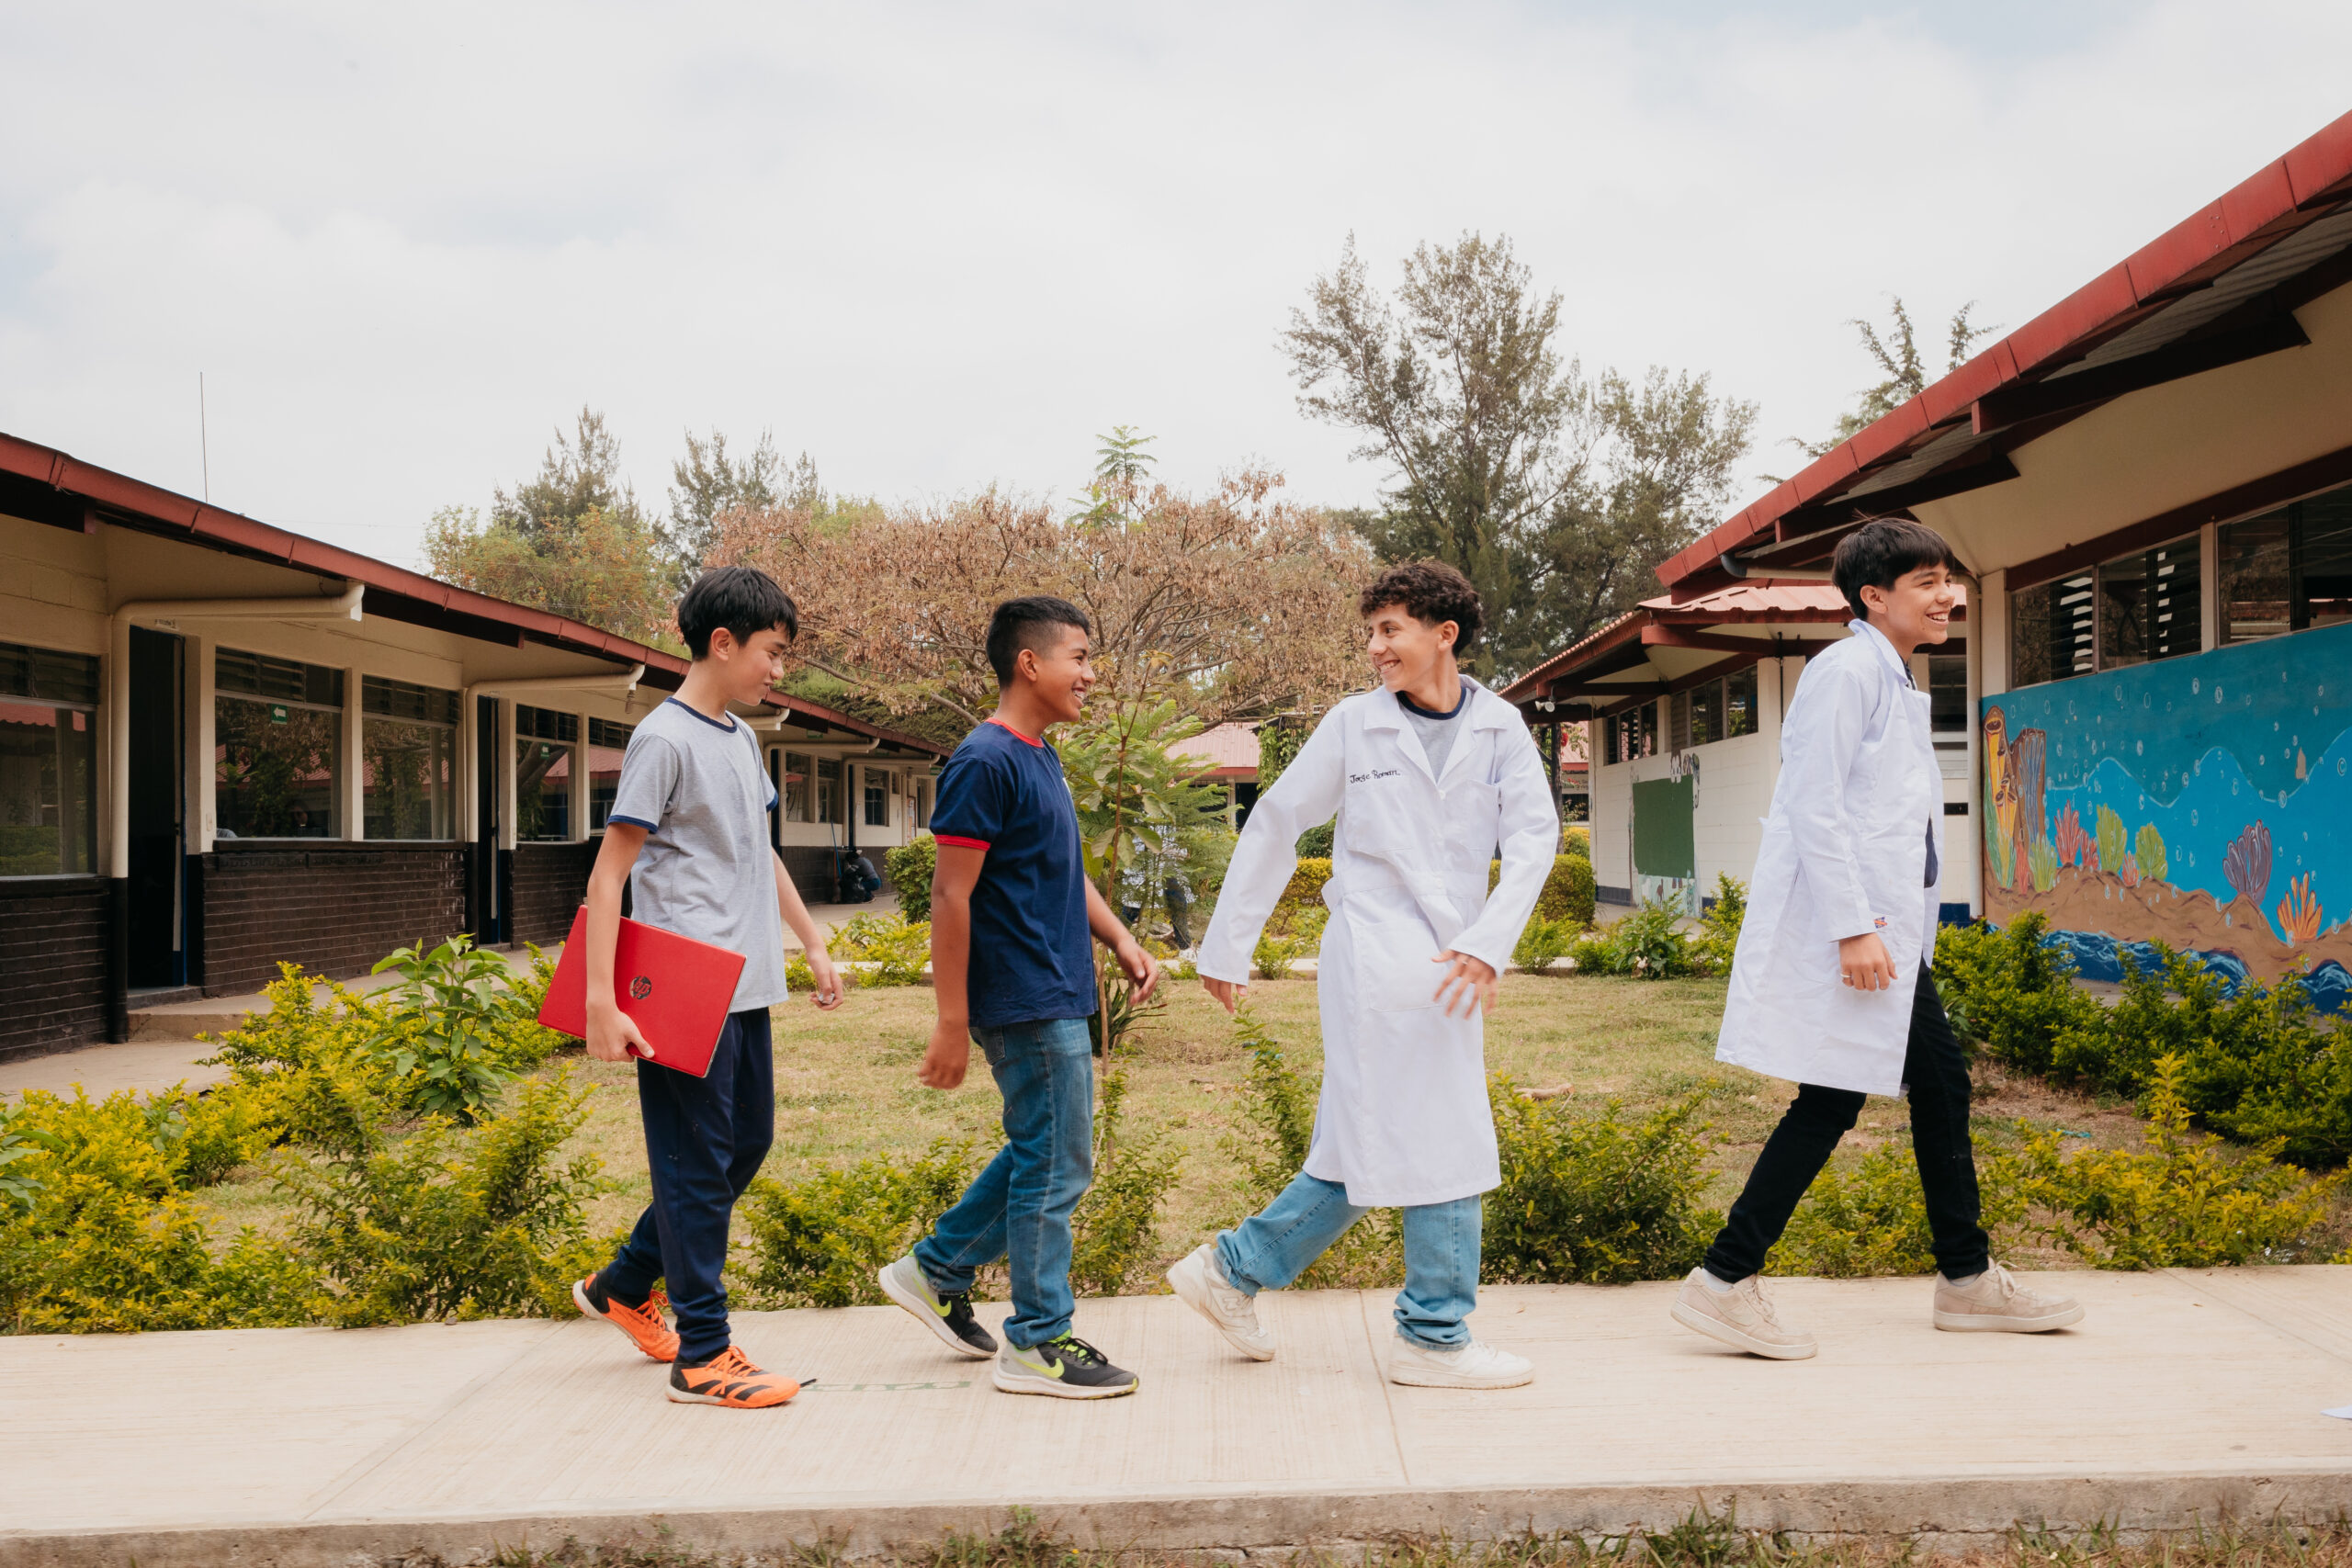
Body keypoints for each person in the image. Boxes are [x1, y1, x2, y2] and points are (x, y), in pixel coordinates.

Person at [1672, 518, 2084, 1360]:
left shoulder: (1892, 676)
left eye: (1950, 579)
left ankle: (1964, 1279)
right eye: (1929, 582)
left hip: (1884, 929)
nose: (1950, 595)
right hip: (1852, 929)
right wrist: (1854, 929)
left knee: (1938, 1082)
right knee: (1838, 1095)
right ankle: (1724, 1279)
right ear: (1875, 595)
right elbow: (1813, 806)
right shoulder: (1847, 672)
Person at [1168, 560, 1558, 1390]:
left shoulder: (1500, 727)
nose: (1376, 646)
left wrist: (1491, 941)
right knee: (1445, 1132)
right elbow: (1277, 820)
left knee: (1367, 1139)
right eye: (1371, 631)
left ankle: (1232, 1269)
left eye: (1391, 629)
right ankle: (1434, 1334)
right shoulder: (1354, 724)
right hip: (1378, 952)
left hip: (1454, 955)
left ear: (1443, 634)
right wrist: (1227, 947)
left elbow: (1534, 838)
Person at [569, 566, 847, 1408]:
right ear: (721, 643)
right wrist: (599, 999)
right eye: (772, 652)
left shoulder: (738, 738)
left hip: (747, 981)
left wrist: (810, 940)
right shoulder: (665, 739)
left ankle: (624, 1280)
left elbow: (754, 852)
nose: (779, 669)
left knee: (742, 1146)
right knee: (694, 1166)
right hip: (684, 987)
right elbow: (609, 872)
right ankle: (704, 1352)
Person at [876, 596, 1161, 1399]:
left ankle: (935, 1271)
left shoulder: (1039, 754)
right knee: (1057, 1163)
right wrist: (951, 1020)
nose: (1091, 674)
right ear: (1029, 663)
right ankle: (1036, 1339)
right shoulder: (984, 760)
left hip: (1057, 984)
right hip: (1024, 995)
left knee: (1046, 1151)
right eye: (1079, 655)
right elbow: (950, 897)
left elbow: (1060, 872)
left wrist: (1120, 939)